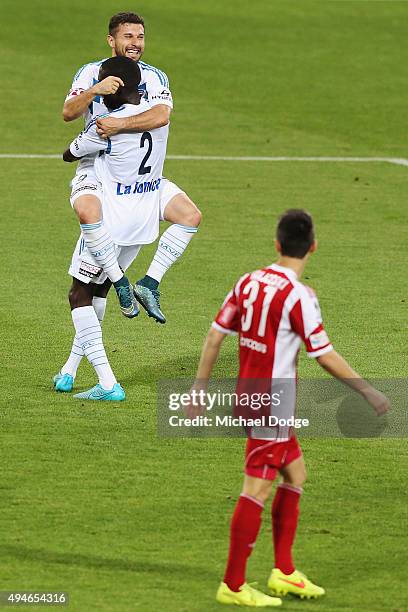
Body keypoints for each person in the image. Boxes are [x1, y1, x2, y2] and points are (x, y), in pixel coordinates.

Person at [187, 209, 390, 607]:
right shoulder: (300, 295)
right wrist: (367, 391)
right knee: (257, 488)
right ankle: (232, 585)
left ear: (277, 244)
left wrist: (199, 387)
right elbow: (324, 354)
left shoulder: (248, 281)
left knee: (295, 473)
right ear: (313, 246)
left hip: (251, 396)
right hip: (273, 405)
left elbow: (215, 335)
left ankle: (283, 571)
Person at [63, 11, 201, 324]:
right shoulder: (89, 72)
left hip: (138, 172)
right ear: (111, 40)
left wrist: (117, 125)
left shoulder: (155, 76)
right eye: (128, 36)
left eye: (140, 37)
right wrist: (95, 90)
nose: (135, 43)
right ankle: (121, 285)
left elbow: (161, 116)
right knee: (90, 283)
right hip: (97, 168)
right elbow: (68, 113)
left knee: (190, 215)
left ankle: (147, 284)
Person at [54, 56, 169, 400]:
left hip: (109, 218)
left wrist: (97, 117)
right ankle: (69, 371)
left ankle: (107, 383)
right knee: (97, 293)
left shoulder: (104, 124)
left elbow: (69, 153)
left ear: (114, 88)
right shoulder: (156, 114)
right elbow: (163, 112)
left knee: (79, 294)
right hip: (142, 218)